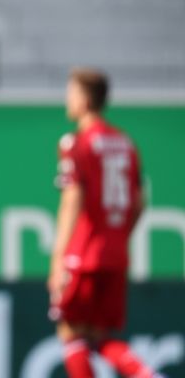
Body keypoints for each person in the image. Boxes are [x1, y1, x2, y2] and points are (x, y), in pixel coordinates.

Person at [49, 69, 164, 378]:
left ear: (85, 99)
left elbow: (72, 200)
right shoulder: (126, 143)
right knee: (102, 337)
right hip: (114, 254)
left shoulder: (77, 143)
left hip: (83, 254)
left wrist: (58, 259)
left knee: (70, 333)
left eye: (71, 93)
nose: (67, 99)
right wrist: (118, 236)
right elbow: (138, 204)